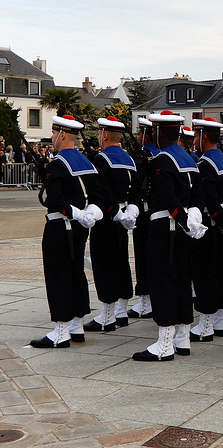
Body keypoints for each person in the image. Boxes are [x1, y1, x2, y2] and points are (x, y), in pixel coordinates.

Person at [132, 110, 207, 362]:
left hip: (167, 229)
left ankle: (164, 343)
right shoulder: (189, 159)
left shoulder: (163, 160)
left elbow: (167, 197)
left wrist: (185, 221)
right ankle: (182, 337)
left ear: (157, 132)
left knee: (163, 281)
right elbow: (197, 195)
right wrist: (193, 218)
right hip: (183, 230)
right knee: (182, 281)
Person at [30, 115, 104, 348]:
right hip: (80, 228)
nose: (52, 138)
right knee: (76, 272)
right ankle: (77, 326)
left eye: (53, 134)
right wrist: (88, 213)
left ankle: (61, 331)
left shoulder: (57, 164)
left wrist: (76, 213)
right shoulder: (88, 163)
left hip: (60, 226)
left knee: (58, 274)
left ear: (62, 135)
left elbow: (55, 199)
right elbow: (98, 197)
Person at [84, 116, 139, 333]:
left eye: (99, 133)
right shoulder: (130, 160)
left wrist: (115, 212)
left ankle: (107, 316)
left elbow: (101, 191)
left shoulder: (101, 160)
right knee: (121, 261)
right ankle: (122, 311)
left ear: (105, 135)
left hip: (108, 218)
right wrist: (129, 211)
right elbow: (136, 190)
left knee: (104, 263)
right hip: (124, 216)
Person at [189, 117, 223, 341]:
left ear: (203, 137)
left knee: (206, 273)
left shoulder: (204, 164)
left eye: (196, 135)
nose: (195, 140)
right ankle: (218, 321)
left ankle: (206, 325)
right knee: (221, 271)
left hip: (211, 224)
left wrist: (219, 222)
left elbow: (209, 199)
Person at [128, 117, 160, 319]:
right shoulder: (162, 154)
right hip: (156, 213)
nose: (138, 136)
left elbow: (138, 184)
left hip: (145, 211)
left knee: (143, 255)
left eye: (140, 133)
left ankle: (146, 301)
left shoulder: (146, 155)